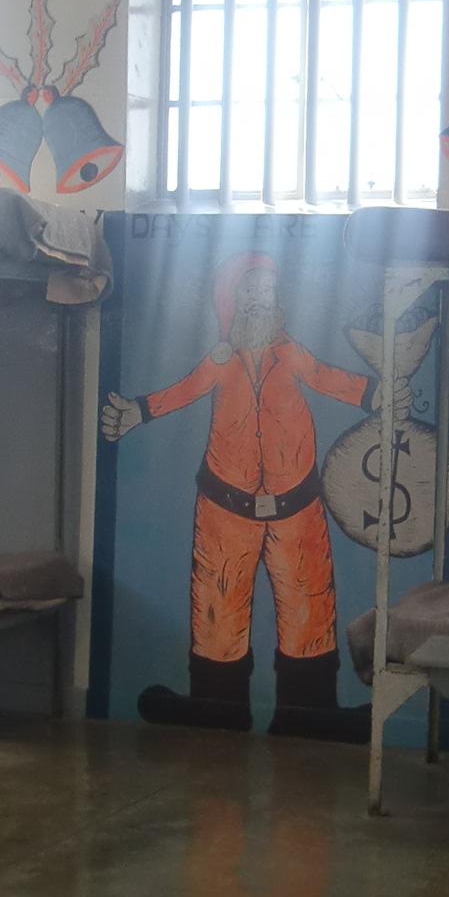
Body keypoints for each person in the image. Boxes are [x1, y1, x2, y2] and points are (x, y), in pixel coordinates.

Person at [103, 249, 394, 740]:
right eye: (249, 292)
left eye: (266, 291)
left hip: (297, 508)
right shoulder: (220, 360)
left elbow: (328, 377)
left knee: (308, 612)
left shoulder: (292, 353)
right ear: (230, 301)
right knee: (219, 614)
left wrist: (374, 394)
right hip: (225, 508)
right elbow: (186, 389)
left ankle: (309, 712)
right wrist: (139, 411)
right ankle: (218, 709)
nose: (259, 300)